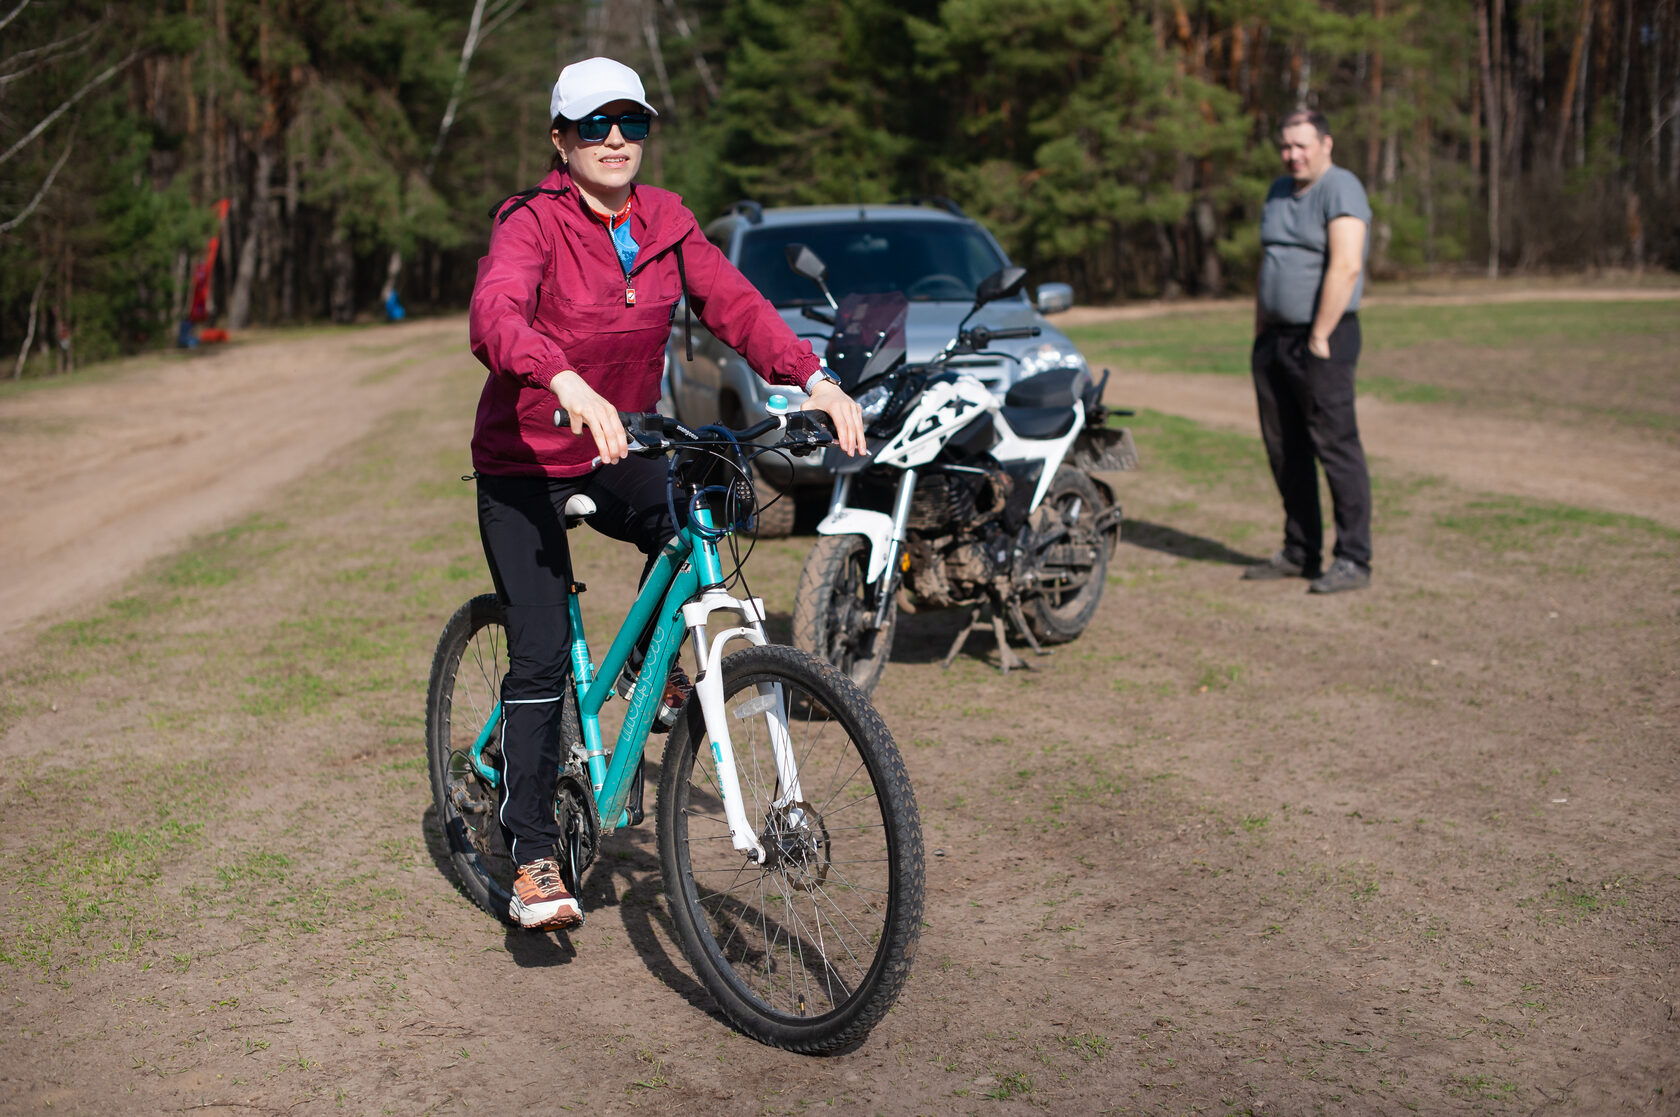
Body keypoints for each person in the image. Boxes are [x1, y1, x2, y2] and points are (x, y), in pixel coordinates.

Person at [468, 57, 865, 930]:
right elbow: (496, 312)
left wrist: (813, 378)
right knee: (539, 653)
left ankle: (654, 667)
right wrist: (562, 378)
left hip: (620, 443)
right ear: (560, 139)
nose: (616, 139)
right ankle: (530, 853)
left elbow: (738, 305)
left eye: (633, 123)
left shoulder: (666, 221)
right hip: (526, 459)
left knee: (705, 491)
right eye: (595, 124)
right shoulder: (531, 222)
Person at [1245, 108, 1374, 595]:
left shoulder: (1342, 188)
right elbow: (1270, 261)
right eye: (1286, 145)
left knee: (1335, 446)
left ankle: (1353, 558)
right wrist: (1261, 327)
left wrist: (1319, 335)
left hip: (1322, 340)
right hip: (1274, 340)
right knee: (1285, 450)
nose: (1292, 155)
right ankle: (1300, 550)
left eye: (1302, 145)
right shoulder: (1278, 191)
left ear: (1326, 144)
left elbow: (1346, 265)